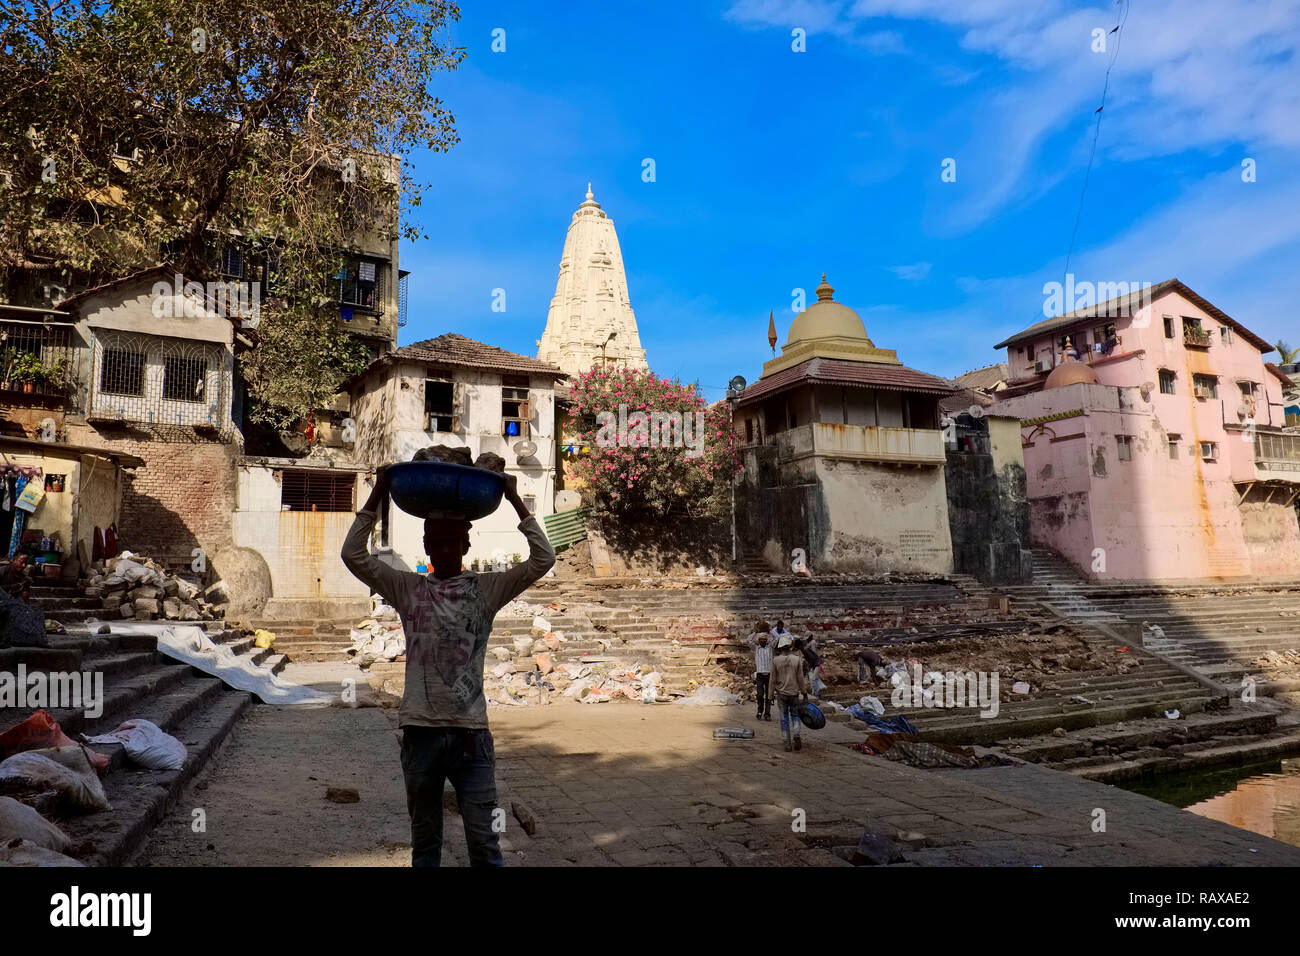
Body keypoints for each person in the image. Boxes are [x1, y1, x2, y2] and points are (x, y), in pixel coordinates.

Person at [340, 464, 555, 867]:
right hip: (420, 735)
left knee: (485, 847)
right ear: (426, 547)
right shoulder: (408, 589)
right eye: (436, 542)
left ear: (465, 546)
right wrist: (379, 492)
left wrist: (512, 498)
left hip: (472, 738)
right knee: (425, 847)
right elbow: (353, 554)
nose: (443, 550)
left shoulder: (487, 590)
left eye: (452, 542)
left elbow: (543, 558)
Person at [771, 635, 810, 752]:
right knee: (795, 716)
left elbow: (772, 679)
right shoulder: (796, 659)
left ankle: (787, 743)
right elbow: (800, 678)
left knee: (784, 719)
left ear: (780, 647)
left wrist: (770, 695)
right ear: (790, 646)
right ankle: (796, 734)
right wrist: (804, 693)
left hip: (781, 693)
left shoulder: (775, 660)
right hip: (794, 693)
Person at [745, 620, 773, 721]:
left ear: (766, 640)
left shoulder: (770, 647)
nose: (763, 641)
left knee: (769, 695)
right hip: (760, 675)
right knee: (760, 694)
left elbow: (777, 638)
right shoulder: (756, 648)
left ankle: (767, 713)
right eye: (761, 639)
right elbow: (748, 640)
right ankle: (759, 711)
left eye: (764, 639)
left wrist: (769, 631)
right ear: (758, 640)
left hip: (769, 674)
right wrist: (756, 632)